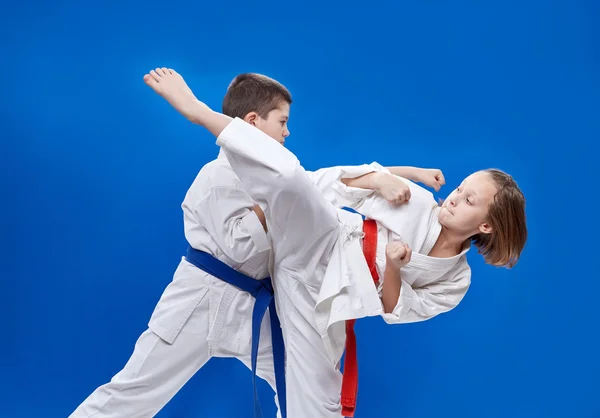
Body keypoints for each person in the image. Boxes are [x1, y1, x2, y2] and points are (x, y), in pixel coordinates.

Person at [143, 67, 528, 418]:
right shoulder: (423, 202)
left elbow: (395, 309)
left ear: (487, 227)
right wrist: (387, 178)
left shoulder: (455, 282)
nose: (456, 198)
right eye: (460, 189)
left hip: (328, 296)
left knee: (321, 406)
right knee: (294, 178)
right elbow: (339, 185)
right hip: (326, 240)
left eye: (469, 201)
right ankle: (200, 112)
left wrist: (394, 266)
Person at [70, 70, 444, 418]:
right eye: (282, 122)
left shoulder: (278, 178)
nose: (287, 133)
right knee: (136, 390)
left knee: (311, 387)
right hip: (201, 300)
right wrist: (275, 203)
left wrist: (405, 174)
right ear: (252, 123)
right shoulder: (217, 176)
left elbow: (329, 182)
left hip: (254, 307)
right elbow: (240, 248)